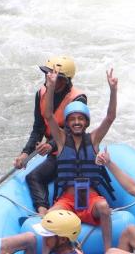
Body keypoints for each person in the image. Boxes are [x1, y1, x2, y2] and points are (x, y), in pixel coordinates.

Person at [43, 66, 118, 253]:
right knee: (50, 217)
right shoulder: (60, 140)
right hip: (68, 199)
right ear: (67, 123)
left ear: (86, 122)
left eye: (81, 119)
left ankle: (108, 253)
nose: (77, 122)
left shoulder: (93, 140)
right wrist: (51, 87)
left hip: (90, 198)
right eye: (73, 119)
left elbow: (110, 117)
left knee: (104, 207)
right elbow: (49, 115)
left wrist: (113, 90)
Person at [14, 56, 88, 214]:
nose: (50, 78)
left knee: (70, 182)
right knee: (33, 177)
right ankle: (43, 212)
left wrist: (51, 145)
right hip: (55, 153)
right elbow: (38, 128)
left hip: (71, 150)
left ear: (66, 80)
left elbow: (72, 130)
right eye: (48, 74)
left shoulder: (78, 98)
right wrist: (25, 152)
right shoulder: (41, 94)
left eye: (55, 77)